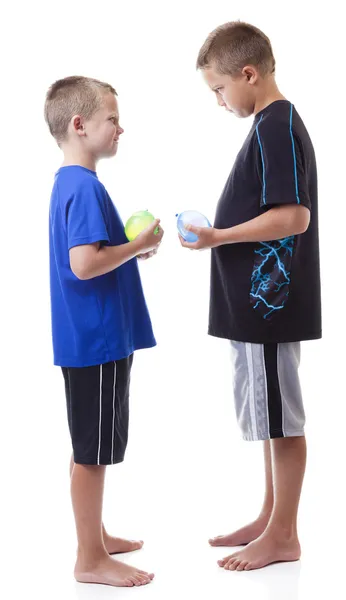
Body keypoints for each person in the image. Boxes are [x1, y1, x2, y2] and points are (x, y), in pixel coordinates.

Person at [180, 22, 321, 572]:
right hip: (261, 306)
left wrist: (218, 236)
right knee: (270, 414)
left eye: (218, 89)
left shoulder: (277, 125)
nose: (219, 101)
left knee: (283, 419)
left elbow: (294, 216)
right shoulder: (270, 125)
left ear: (248, 73)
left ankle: (284, 534)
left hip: (271, 306)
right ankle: (270, 517)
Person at [45, 76, 163, 587]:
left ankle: (95, 535)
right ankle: (90, 558)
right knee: (92, 453)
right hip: (96, 342)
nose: (120, 128)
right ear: (79, 125)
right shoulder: (85, 187)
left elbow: (88, 259)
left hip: (89, 339)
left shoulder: (69, 183)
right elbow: (86, 264)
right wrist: (137, 247)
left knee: (87, 444)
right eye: (111, 119)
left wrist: (130, 246)